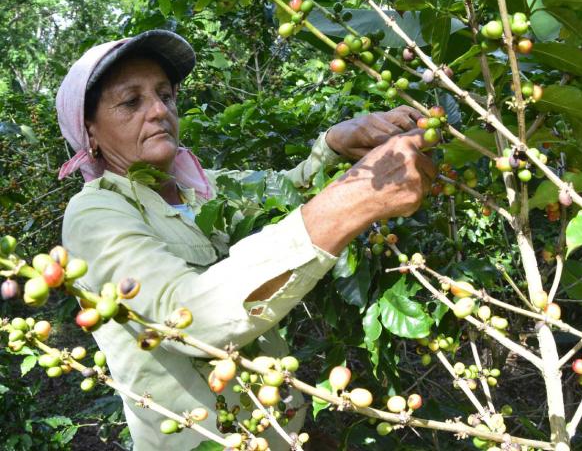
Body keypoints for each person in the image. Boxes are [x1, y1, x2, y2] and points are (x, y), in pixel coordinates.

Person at [56, 29, 436, 450]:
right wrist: (351, 202)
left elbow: (285, 192)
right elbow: (184, 319)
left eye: (165, 95)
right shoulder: (94, 215)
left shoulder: (203, 188)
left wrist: (333, 146)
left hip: (279, 431)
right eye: (131, 102)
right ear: (89, 131)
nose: (159, 110)